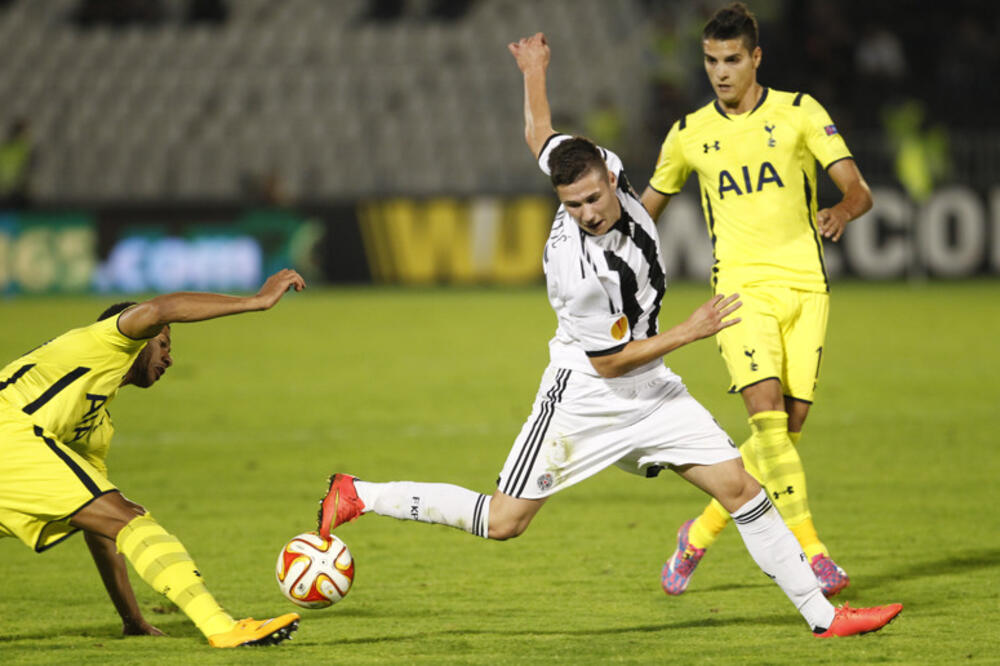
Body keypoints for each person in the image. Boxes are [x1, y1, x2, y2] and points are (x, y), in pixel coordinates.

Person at [317, 32, 900, 638]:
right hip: (585, 396)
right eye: (571, 206)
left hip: (651, 389)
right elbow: (610, 364)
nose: (588, 213)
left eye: (593, 198)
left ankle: (825, 616)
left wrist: (534, 68)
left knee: (741, 488)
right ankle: (359, 494)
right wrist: (691, 330)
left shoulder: (600, 166)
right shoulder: (582, 272)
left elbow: (540, 136)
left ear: (608, 173)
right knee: (504, 521)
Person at [640, 2, 874, 598]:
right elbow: (646, 213)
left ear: (755, 58)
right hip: (740, 293)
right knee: (768, 422)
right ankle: (813, 553)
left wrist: (841, 210)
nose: (720, 72)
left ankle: (697, 534)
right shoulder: (689, 134)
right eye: (712, 61)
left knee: (784, 435)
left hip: (806, 289)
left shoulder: (800, 113)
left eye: (732, 60)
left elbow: (858, 188)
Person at [0, 269, 306, 647]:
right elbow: (162, 308)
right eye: (164, 344)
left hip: (14, 450)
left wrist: (133, 619)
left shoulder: (94, 426)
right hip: (5, 432)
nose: (169, 358)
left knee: (120, 517)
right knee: (131, 516)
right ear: (139, 340)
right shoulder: (104, 341)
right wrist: (255, 301)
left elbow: (103, 528)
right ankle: (220, 626)